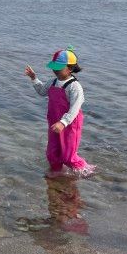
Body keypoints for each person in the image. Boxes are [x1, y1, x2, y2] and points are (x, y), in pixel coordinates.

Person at [24, 47, 95, 177]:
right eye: (54, 67)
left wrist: (63, 122)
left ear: (70, 68)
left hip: (70, 124)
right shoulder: (53, 82)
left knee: (68, 156)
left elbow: (75, 108)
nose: (55, 70)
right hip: (54, 122)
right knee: (52, 153)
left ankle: (87, 172)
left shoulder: (74, 87)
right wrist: (34, 78)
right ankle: (56, 174)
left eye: (59, 68)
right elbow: (41, 92)